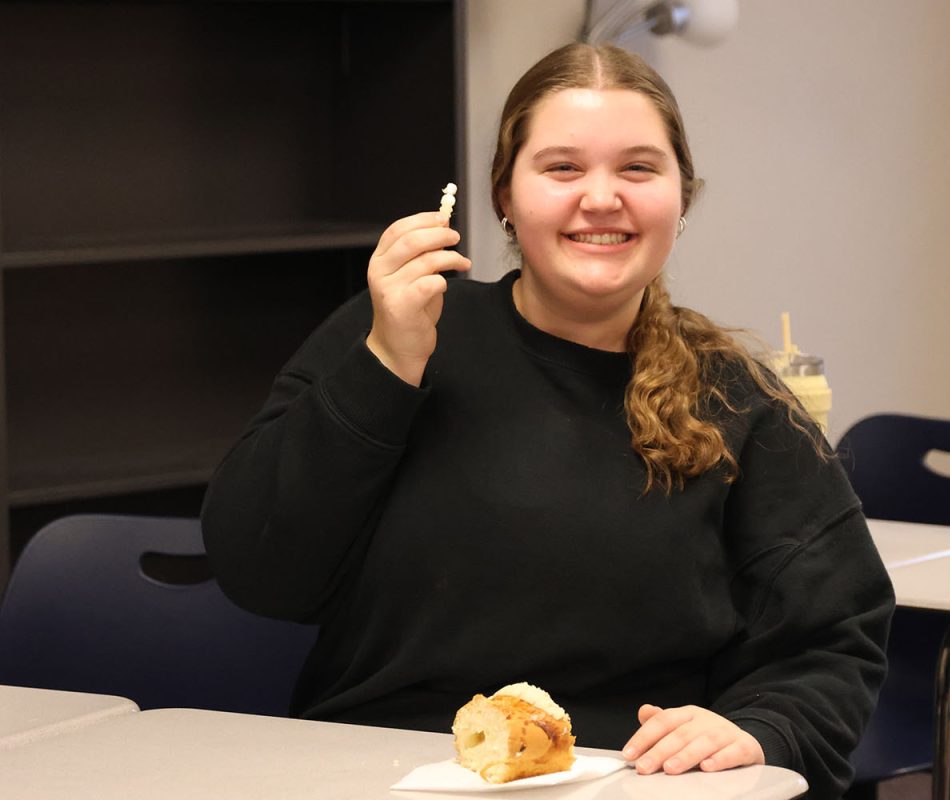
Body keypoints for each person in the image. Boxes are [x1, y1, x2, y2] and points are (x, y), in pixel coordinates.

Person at [201, 42, 893, 799]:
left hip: (628, 780)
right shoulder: (393, 333)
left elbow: (834, 640)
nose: (601, 198)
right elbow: (259, 571)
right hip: (375, 772)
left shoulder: (737, 401)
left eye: (638, 168)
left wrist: (761, 728)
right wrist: (384, 366)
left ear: (681, 199)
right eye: (562, 168)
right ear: (504, 195)